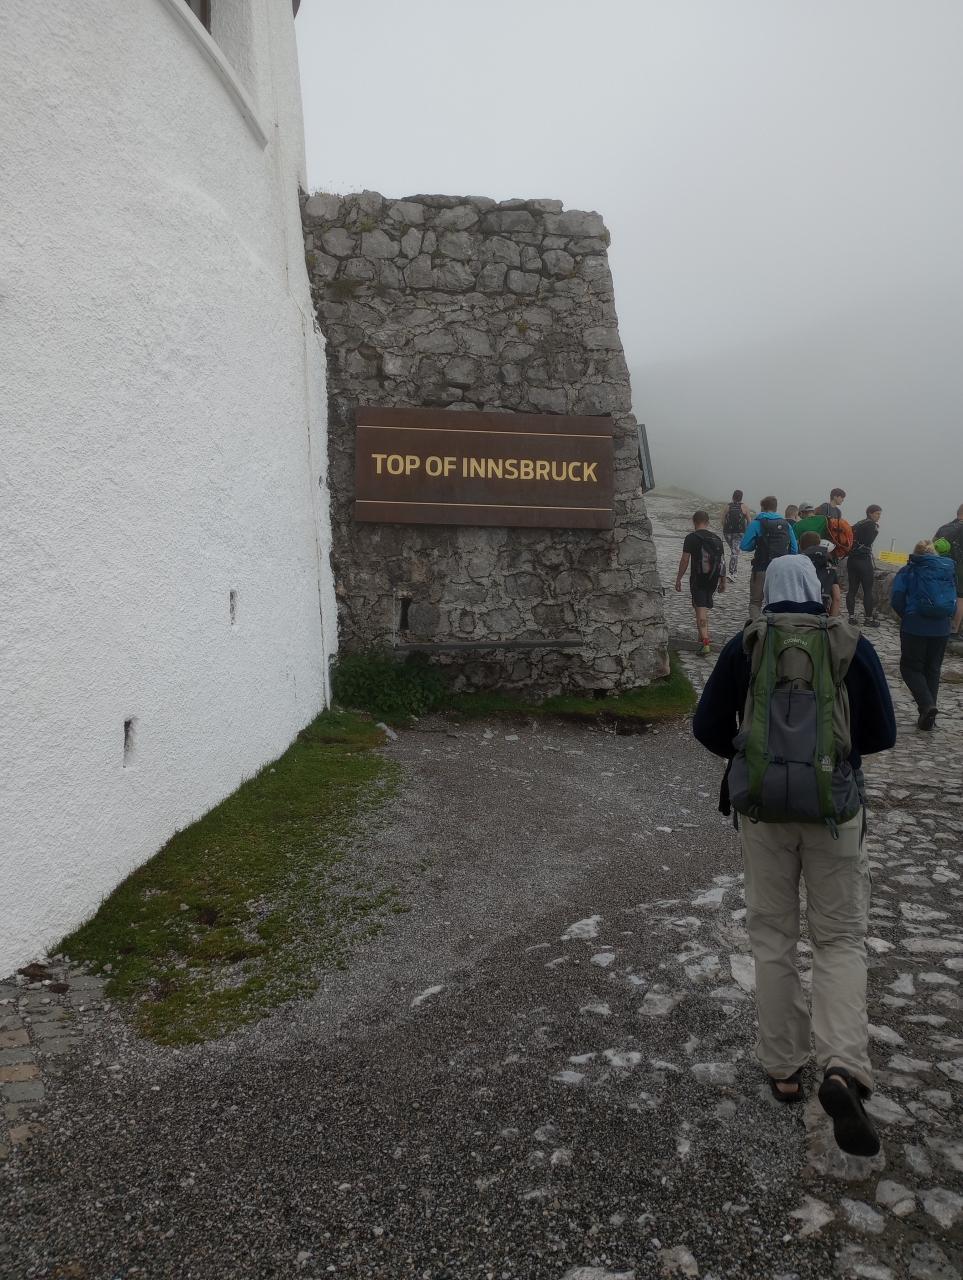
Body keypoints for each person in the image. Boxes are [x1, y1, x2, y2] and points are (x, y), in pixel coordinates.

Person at [693, 556, 896, 1156]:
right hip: (835, 812)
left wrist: (756, 755)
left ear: (770, 593)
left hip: (763, 815)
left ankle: (784, 1067)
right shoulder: (850, 645)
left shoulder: (746, 645)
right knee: (840, 939)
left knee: (772, 936)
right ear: (817, 590)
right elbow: (883, 733)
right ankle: (843, 1066)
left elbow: (706, 727)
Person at [891, 540, 957, 730]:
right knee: (933, 669)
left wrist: (907, 616)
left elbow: (897, 599)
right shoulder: (946, 570)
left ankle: (927, 706)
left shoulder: (908, 570)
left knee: (910, 668)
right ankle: (928, 718)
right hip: (942, 627)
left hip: (915, 626)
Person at [676, 510, 726, 655]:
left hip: (698, 579)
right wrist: (723, 582)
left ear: (694, 521)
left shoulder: (691, 538)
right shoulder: (716, 538)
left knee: (701, 611)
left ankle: (705, 644)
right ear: (708, 522)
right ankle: (701, 637)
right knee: (700, 607)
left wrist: (679, 578)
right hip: (712, 580)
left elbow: (685, 560)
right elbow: (722, 562)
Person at [740, 496, 798, 619]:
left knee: (755, 602)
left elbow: (744, 546)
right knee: (776, 602)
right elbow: (794, 549)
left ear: (762, 508)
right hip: (781, 570)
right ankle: (774, 626)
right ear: (776, 508)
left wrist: (756, 544)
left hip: (761, 567)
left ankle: (756, 626)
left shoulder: (757, 523)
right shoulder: (786, 524)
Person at [848, 506, 882, 627]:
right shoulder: (872, 525)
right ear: (870, 513)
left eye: (880, 514)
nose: (879, 516)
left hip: (852, 560)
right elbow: (868, 541)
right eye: (877, 514)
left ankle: (851, 617)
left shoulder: (859, 524)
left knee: (852, 589)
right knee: (868, 590)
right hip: (864, 561)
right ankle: (868, 619)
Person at [933, 504, 963, 641]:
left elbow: (933, 546)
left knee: (942, 595)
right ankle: (953, 631)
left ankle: (937, 626)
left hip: (942, 566)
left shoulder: (944, 527)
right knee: (960, 599)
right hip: (960, 569)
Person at [799, 531, 841, 616]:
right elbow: (837, 598)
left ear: (800, 546)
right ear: (819, 544)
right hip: (821, 614)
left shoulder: (798, 562)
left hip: (800, 613)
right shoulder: (828, 564)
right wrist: (832, 620)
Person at [722, 490, 751, 579]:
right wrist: (747, 532)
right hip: (739, 532)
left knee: (734, 551)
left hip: (727, 533)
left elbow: (722, 520)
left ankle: (734, 572)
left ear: (733, 496)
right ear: (741, 497)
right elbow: (749, 521)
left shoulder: (728, 506)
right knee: (735, 551)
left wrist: (725, 529)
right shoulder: (744, 507)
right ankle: (732, 573)